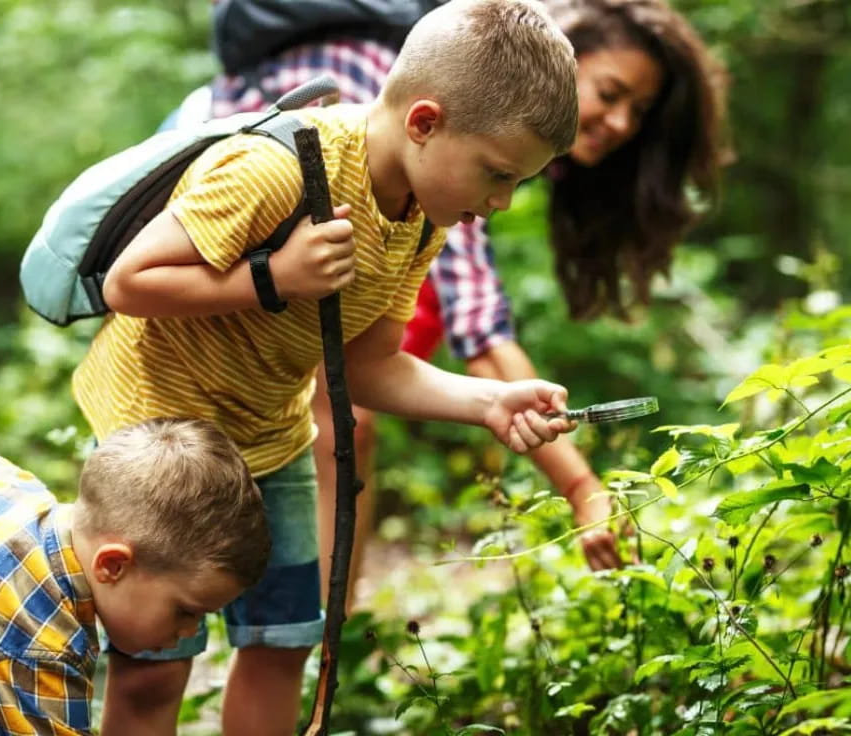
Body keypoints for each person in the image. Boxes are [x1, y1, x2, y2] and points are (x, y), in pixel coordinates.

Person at [72, 1, 580, 733]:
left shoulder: (417, 219)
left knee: (282, 647)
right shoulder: (275, 168)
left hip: (274, 443)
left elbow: (370, 368)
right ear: (425, 122)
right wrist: (273, 276)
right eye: (497, 175)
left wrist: (491, 401)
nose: (498, 203)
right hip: (161, 438)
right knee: (154, 666)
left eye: (516, 184)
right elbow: (130, 284)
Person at [191, 0, 726, 591]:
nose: (623, 123)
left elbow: (418, 342)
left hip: (314, 256)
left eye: (639, 111)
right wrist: (580, 487)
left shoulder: (481, 154)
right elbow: (481, 328)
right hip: (221, 223)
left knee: (355, 397)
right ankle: (316, 635)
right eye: (610, 91)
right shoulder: (442, 118)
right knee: (340, 416)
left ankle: (316, 641)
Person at [0, 418, 270, 735]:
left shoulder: (6, 481)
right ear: (113, 566)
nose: (191, 631)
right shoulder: (39, 645)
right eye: (186, 610)